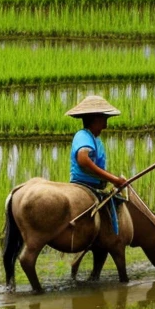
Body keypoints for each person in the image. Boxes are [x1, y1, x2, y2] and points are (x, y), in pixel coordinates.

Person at [66, 95, 128, 233]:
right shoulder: (83, 135)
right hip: (84, 186)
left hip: (95, 187)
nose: (105, 126)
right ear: (94, 119)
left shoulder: (94, 138)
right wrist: (113, 179)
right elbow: (83, 160)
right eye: (103, 120)